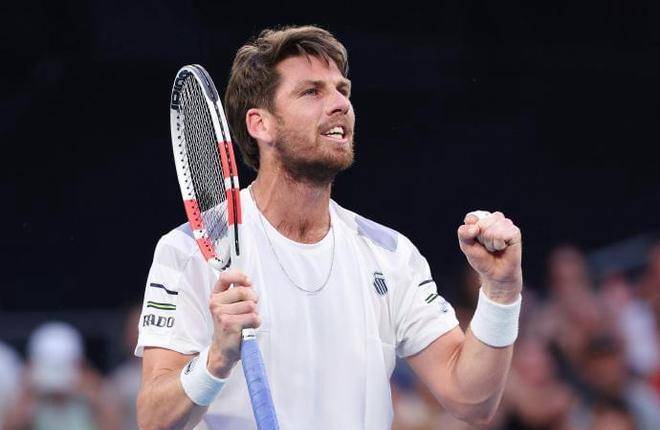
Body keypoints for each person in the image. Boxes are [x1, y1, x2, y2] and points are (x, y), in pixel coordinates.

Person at [136, 25, 523, 429]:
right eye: (312, 92)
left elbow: (472, 400)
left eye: (343, 90)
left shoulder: (391, 256)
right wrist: (215, 359)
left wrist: (501, 292)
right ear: (261, 124)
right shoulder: (188, 250)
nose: (340, 104)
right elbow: (153, 419)